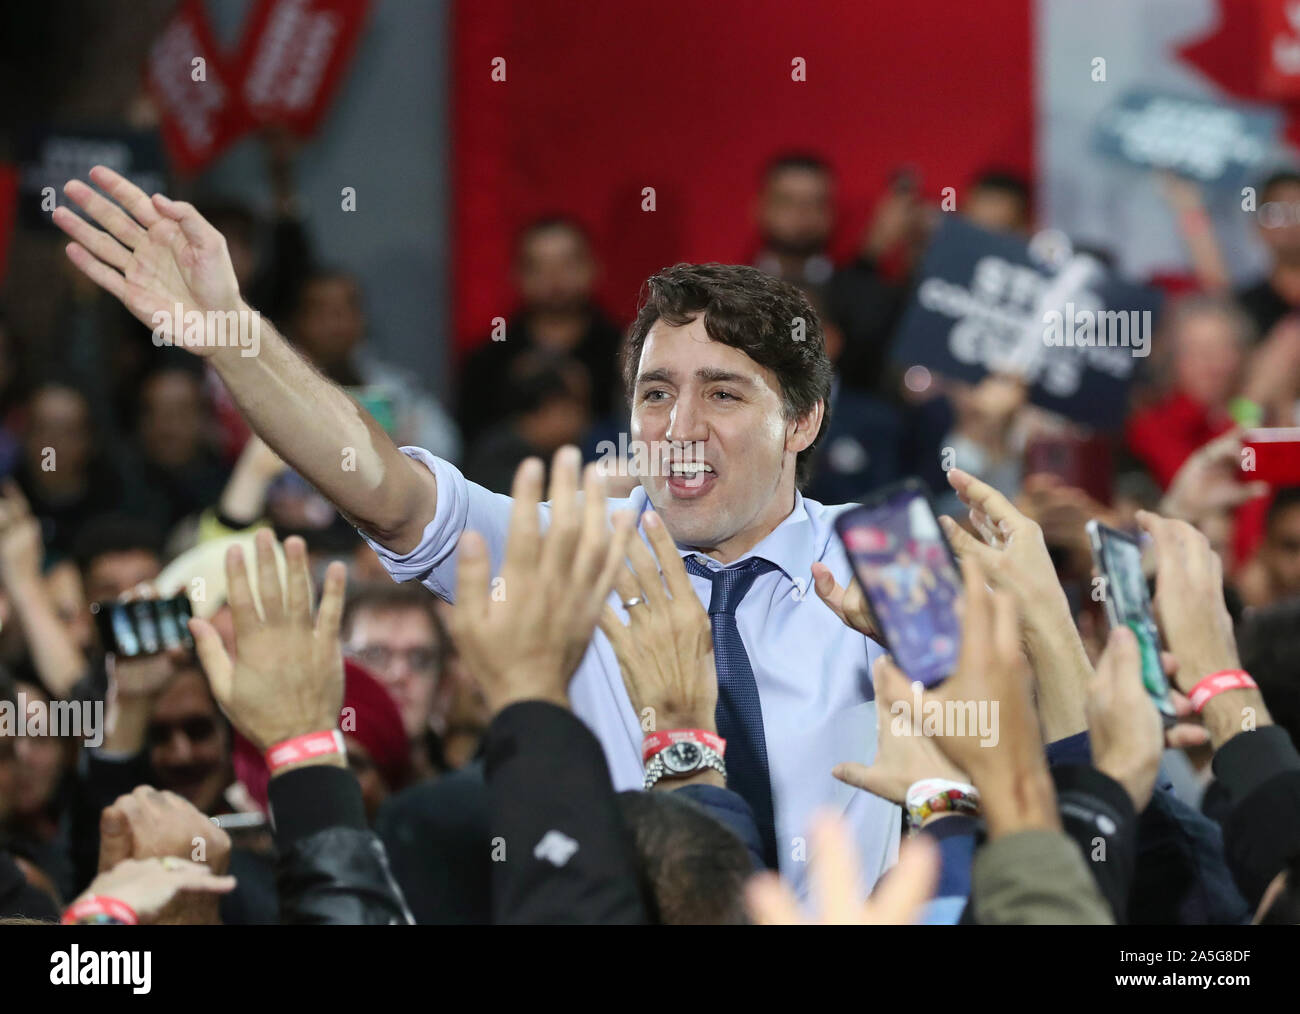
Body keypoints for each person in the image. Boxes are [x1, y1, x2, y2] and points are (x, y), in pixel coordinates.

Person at [54, 167, 899, 890]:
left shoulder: (887, 558)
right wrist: (233, 337)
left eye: (721, 393)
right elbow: (386, 490)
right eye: (654, 393)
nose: (678, 425)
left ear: (801, 422)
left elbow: (1004, 772)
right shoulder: (566, 550)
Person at [456, 217, 622, 445]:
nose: (555, 279)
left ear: (593, 267)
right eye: (539, 267)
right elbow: (467, 447)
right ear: (517, 275)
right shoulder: (487, 363)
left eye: (567, 264)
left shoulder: (627, 353)